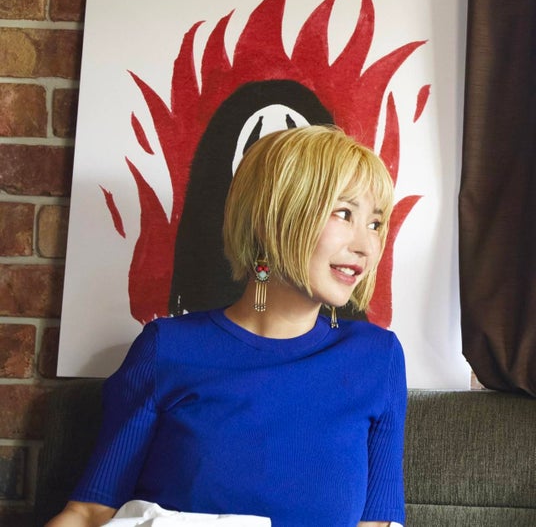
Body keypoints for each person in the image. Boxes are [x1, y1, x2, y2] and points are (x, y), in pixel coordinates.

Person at [46, 125, 407, 527]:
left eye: (375, 224)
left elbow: (378, 523)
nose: (366, 246)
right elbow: (89, 512)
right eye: (344, 213)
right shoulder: (167, 348)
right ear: (272, 218)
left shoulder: (378, 358)